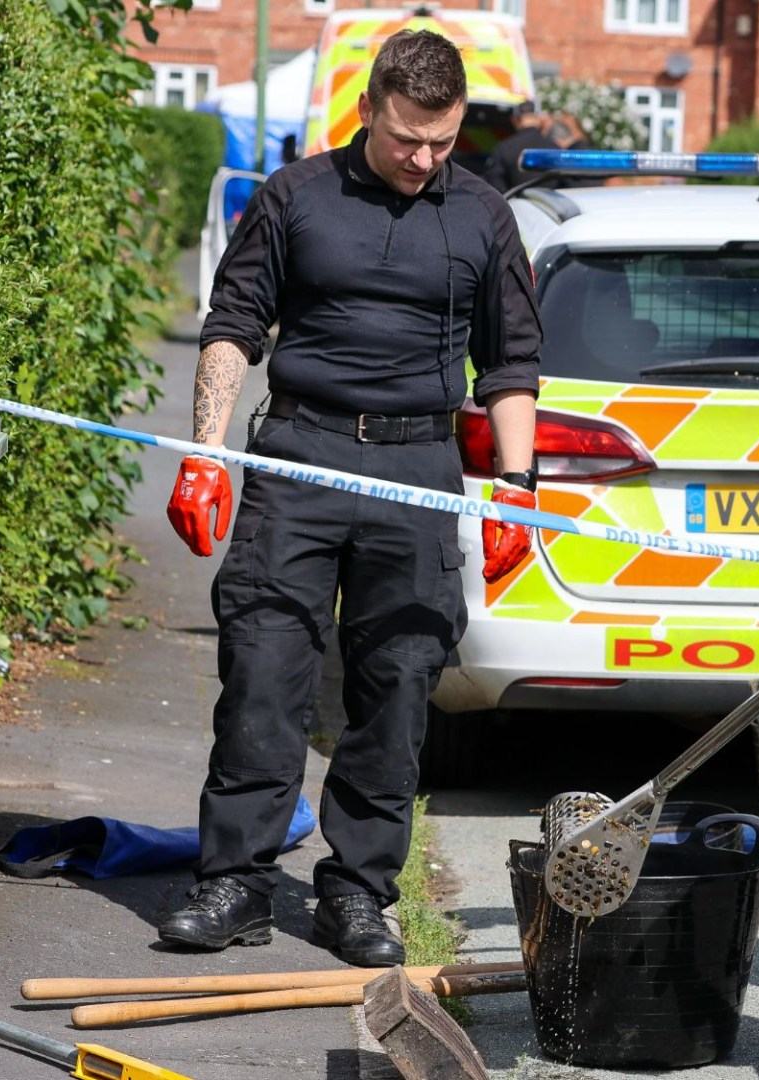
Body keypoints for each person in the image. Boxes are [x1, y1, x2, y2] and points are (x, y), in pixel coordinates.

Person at [160, 29, 542, 967]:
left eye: (443, 142)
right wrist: (205, 454)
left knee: (400, 686)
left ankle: (359, 894)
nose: (423, 159)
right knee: (263, 669)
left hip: (417, 471)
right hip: (300, 455)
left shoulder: (485, 217)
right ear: (368, 109)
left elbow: (512, 365)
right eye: (409, 137)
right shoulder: (296, 196)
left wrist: (518, 490)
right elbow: (234, 324)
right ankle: (235, 883)